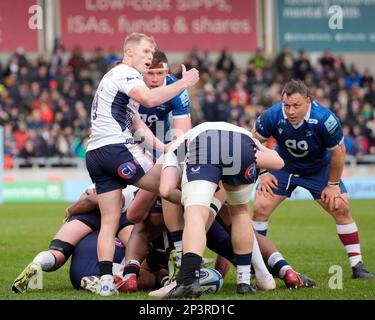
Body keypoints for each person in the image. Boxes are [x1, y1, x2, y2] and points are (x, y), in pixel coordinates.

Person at [85, 32, 199, 296]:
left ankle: (105, 282)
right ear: (129, 52)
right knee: (169, 186)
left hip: (96, 154)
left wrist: (164, 148)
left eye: (153, 52)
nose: (150, 57)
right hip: (117, 149)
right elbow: (150, 100)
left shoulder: (112, 79)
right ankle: (187, 250)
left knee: (109, 222)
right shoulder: (127, 73)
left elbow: (137, 125)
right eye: (147, 51)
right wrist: (183, 83)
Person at [251, 79, 373, 279]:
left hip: (318, 168)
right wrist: (263, 173)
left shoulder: (324, 118)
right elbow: (252, 142)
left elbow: (339, 152)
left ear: (308, 101)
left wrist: (333, 185)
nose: (290, 111)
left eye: (296, 106)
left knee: (340, 207)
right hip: (283, 165)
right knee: (260, 207)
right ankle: (257, 266)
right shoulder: (272, 115)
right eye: (287, 105)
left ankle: (357, 265)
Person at [158, 121, 284, 298]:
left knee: (195, 215)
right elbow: (278, 162)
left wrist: (196, 201)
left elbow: (165, 190)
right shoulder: (241, 133)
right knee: (240, 212)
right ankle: (244, 282)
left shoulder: (175, 149)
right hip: (242, 143)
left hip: (205, 145)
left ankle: (189, 280)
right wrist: (256, 149)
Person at [11, 185, 136, 294]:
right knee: (135, 250)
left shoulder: (100, 174)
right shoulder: (132, 180)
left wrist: (70, 211)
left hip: (87, 215)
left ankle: (38, 263)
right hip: (120, 217)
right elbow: (97, 199)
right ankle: (116, 276)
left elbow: (88, 198)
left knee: (57, 252)